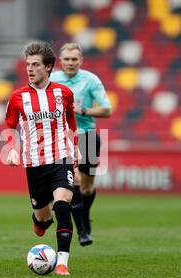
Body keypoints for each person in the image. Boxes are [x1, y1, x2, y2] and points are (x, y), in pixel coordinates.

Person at [4, 42, 79, 276]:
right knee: (43, 221)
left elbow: (72, 121)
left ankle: (63, 263)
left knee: (62, 205)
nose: (30, 69)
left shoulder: (64, 93)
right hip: (35, 164)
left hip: (61, 158)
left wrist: (76, 149)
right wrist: (11, 149)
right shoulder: (17, 97)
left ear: (48, 67)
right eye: (28, 65)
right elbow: (10, 125)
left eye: (35, 64)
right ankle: (40, 222)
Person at [50, 43, 111, 247]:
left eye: (74, 59)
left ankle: (84, 215)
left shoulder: (91, 80)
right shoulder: (52, 80)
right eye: (66, 59)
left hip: (87, 137)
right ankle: (82, 231)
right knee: (73, 180)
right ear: (60, 60)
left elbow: (106, 110)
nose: (70, 63)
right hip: (62, 138)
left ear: (80, 61)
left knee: (87, 186)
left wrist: (82, 111)